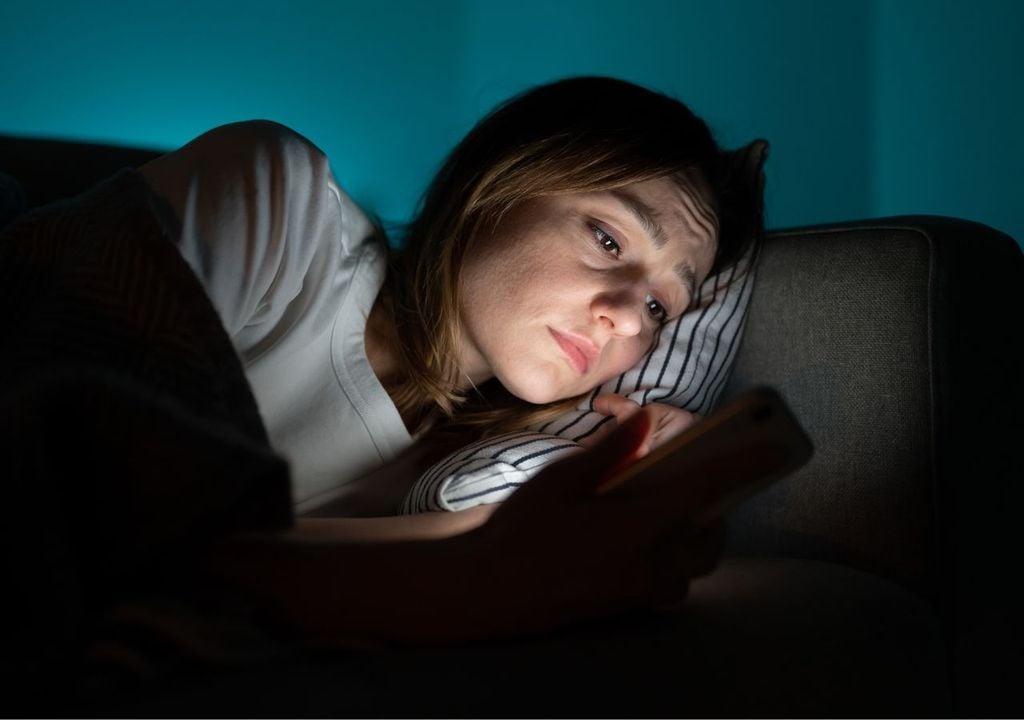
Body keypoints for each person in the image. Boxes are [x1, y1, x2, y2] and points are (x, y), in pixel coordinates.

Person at [1, 76, 763, 704]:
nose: (628, 317)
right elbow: (56, 479)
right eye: (608, 239)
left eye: (665, 307)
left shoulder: (455, 484)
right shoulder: (280, 202)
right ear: (500, 185)